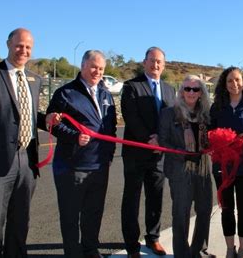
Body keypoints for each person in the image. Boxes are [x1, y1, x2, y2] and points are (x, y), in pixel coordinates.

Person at [0, 28, 47, 258]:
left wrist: (48, 120)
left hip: (27, 160)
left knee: (21, 219)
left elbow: (29, 114)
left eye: (28, 47)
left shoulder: (34, 79)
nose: (24, 50)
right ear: (8, 44)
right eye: (19, 45)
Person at [46, 50, 117, 258]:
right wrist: (74, 136)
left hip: (99, 166)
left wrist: (109, 156)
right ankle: (72, 252)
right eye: (94, 67)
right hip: (72, 167)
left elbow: (110, 130)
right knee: (70, 215)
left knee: (93, 213)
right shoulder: (65, 93)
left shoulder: (105, 95)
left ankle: (90, 249)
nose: (98, 72)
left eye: (101, 69)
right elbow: (52, 124)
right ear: (83, 66)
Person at [121, 46, 176, 257]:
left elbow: (173, 120)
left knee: (155, 198)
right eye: (152, 60)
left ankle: (153, 238)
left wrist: (162, 139)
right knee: (131, 200)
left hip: (159, 156)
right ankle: (132, 245)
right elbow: (131, 117)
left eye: (159, 62)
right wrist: (149, 138)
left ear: (164, 65)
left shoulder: (170, 90)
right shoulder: (131, 87)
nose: (156, 65)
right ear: (144, 63)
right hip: (136, 154)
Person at [209, 67, 243, 258]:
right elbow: (210, 134)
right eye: (230, 81)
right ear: (224, 84)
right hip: (222, 165)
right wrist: (222, 139)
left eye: (238, 80)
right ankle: (229, 248)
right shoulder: (216, 107)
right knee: (227, 208)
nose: (234, 84)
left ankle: (242, 249)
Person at [158, 75, 214, 258]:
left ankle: (198, 250)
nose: (191, 92)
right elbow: (162, 141)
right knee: (181, 213)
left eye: (195, 89)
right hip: (179, 169)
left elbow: (213, 139)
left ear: (201, 93)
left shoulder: (206, 114)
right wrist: (181, 152)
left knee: (205, 210)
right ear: (181, 91)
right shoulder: (168, 113)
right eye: (187, 88)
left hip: (203, 168)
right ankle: (182, 253)